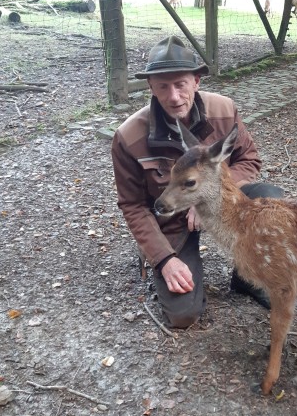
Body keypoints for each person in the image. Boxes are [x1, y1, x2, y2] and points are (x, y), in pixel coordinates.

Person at [111, 36, 283, 328]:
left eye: (180, 84)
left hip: (218, 206)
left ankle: (247, 277)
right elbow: (133, 205)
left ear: (196, 81)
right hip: (170, 219)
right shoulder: (128, 137)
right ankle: (153, 254)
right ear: (150, 86)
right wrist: (164, 259)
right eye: (163, 86)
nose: (174, 96)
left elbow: (249, 160)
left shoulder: (224, 110)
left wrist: (207, 197)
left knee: (270, 199)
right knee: (183, 316)